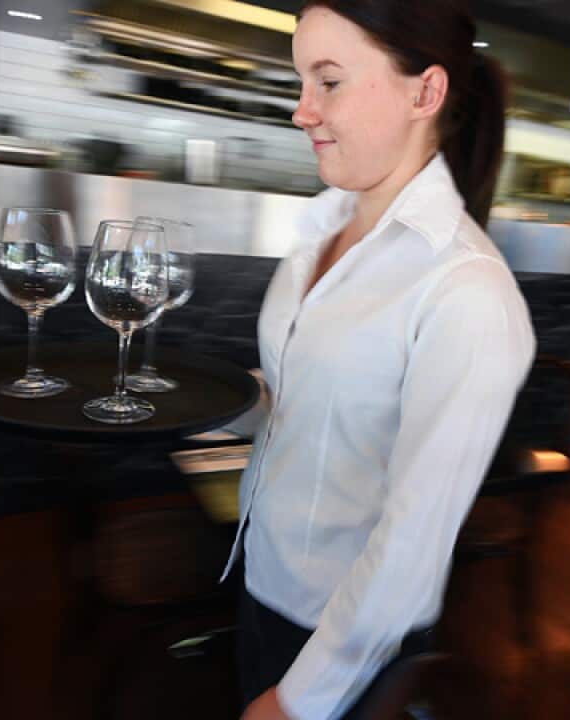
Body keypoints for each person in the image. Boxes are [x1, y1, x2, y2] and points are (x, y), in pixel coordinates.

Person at [225, 2, 535, 718]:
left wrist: (300, 702)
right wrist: (200, 399)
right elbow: (301, 402)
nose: (303, 111)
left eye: (327, 81)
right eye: (301, 80)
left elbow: (413, 543)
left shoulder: (466, 290)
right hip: (262, 579)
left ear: (424, 93)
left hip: (338, 635)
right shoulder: (321, 228)